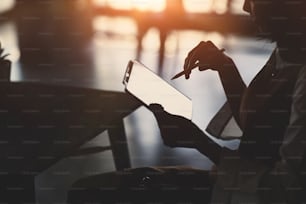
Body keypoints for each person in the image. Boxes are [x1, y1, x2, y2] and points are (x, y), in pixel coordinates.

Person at [68, 0, 306, 203]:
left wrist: (200, 143)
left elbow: (285, 192)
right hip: (232, 184)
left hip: (240, 193)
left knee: (88, 192)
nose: (245, 6)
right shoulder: (289, 48)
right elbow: (259, 128)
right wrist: (225, 67)